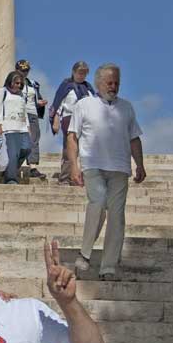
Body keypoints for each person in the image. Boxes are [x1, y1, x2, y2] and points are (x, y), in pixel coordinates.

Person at [66, 63, 146, 280]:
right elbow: (72, 137)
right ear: (99, 83)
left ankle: (108, 266)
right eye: (109, 83)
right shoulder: (84, 105)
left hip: (120, 168)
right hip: (93, 165)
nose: (113, 87)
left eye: (116, 83)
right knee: (98, 202)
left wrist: (140, 164)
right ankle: (85, 253)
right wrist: (74, 165)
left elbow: (134, 138)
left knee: (117, 216)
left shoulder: (126, 107)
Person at [50, 61, 94, 184]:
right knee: (68, 149)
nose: (82, 75)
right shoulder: (66, 86)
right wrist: (56, 120)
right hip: (69, 119)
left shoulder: (88, 88)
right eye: (80, 72)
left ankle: (81, 178)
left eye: (84, 73)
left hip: (85, 121)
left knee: (85, 150)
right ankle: (64, 178)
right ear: (74, 72)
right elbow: (58, 104)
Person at [0, 71, 31, 184]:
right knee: (12, 154)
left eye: (20, 84)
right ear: (10, 82)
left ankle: (10, 170)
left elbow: (24, 111)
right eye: (16, 83)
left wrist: (28, 127)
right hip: (8, 128)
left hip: (22, 128)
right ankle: (11, 178)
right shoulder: (2, 92)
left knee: (27, 149)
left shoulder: (21, 95)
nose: (18, 85)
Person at [16, 60, 47, 179]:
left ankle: (33, 167)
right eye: (22, 70)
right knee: (18, 140)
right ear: (17, 70)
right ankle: (14, 166)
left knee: (33, 140)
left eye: (26, 70)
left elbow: (35, 99)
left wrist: (40, 103)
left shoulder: (33, 84)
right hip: (18, 114)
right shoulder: (12, 83)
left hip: (32, 113)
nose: (24, 73)